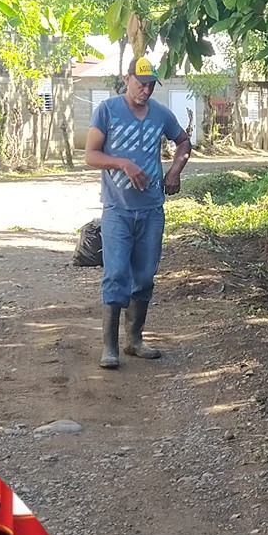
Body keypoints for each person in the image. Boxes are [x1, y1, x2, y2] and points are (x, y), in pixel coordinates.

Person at [84, 57, 192, 370]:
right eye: (141, 83)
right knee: (116, 274)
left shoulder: (161, 114)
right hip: (117, 209)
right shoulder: (107, 110)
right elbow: (91, 155)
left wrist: (175, 170)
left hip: (151, 210)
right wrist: (123, 163)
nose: (145, 90)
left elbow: (183, 142)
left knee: (144, 276)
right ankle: (110, 347)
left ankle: (134, 339)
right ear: (127, 78)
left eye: (151, 85)